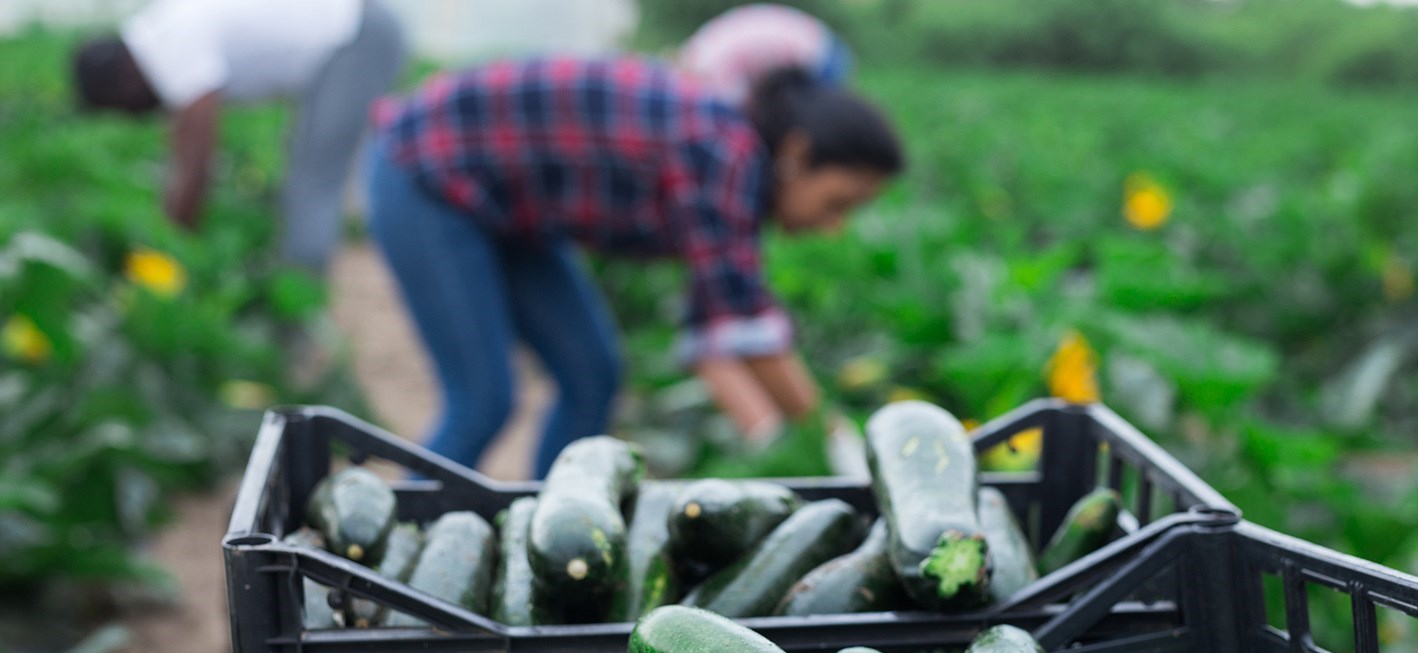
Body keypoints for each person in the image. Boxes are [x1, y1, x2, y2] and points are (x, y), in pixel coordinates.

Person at [364, 58, 903, 478]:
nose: (835, 225)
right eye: (839, 202)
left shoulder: (733, 159)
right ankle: (387, 570)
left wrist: (827, 448)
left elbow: (745, 323)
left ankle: (546, 537)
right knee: (483, 400)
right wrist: (811, 459)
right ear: (797, 152)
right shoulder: (722, 156)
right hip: (428, 172)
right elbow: (729, 346)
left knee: (591, 373)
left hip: (508, 206)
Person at [70, 0, 408, 275]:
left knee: (312, 184)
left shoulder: (170, 46)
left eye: (122, 109)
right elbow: (180, 149)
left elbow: (196, 166)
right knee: (306, 177)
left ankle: (300, 308)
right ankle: (298, 292)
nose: (133, 118)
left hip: (356, 36)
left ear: (124, 81)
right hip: (347, 34)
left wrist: (165, 257)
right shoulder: (158, 34)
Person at [678, 4, 854, 106]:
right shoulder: (703, 42)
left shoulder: (707, 65)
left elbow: (736, 105)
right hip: (821, 39)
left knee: (826, 138)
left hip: (818, 58)